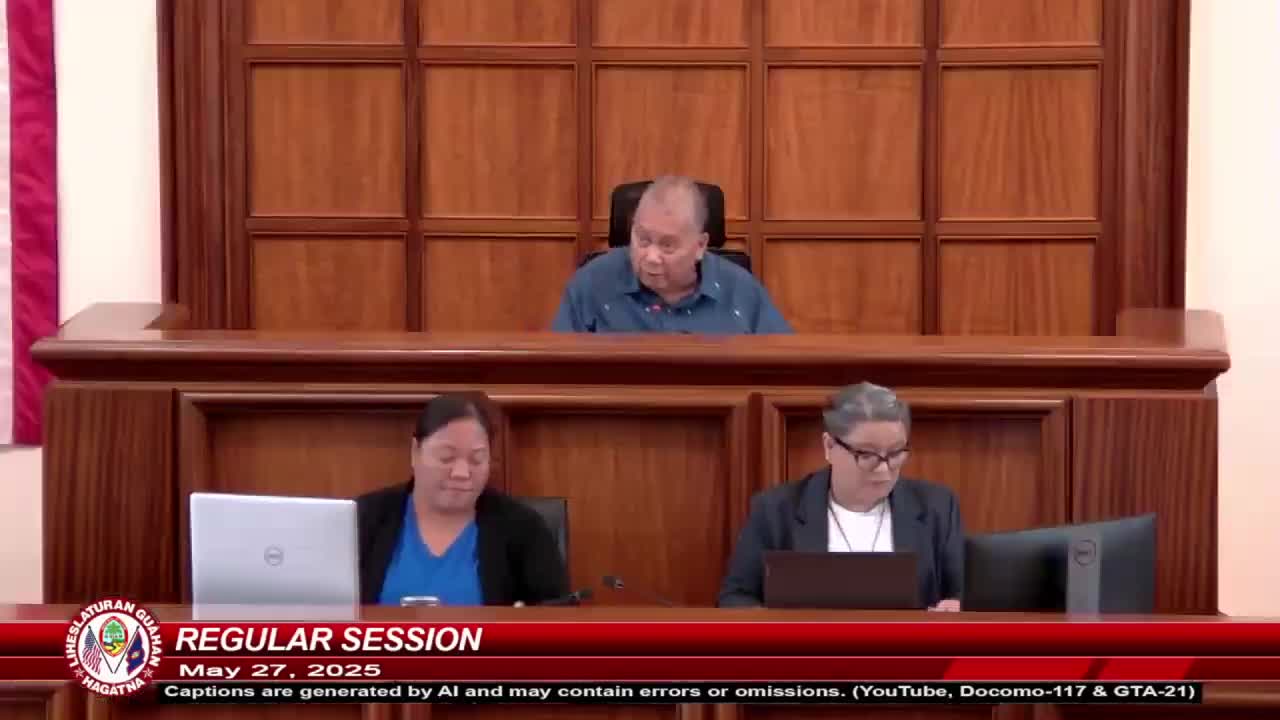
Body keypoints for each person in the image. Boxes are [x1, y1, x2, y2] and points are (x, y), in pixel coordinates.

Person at [717, 382, 963, 610]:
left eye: (896, 453)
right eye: (867, 455)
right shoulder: (776, 510)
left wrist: (955, 607)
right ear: (829, 446)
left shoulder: (938, 507)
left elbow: (961, 596)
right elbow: (736, 598)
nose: (884, 469)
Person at [357, 392, 568, 606]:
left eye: (476, 460)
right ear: (415, 452)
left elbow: (557, 616)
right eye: (446, 458)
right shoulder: (362, 519)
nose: (462, 472)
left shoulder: (523, 528)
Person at [551, 175, 792, 334]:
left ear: (700, 246)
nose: (651, 257)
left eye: (667, 246)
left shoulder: (742, 292)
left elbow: (786, 372)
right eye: (643, 240)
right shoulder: (590, 285)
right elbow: (556, 374)